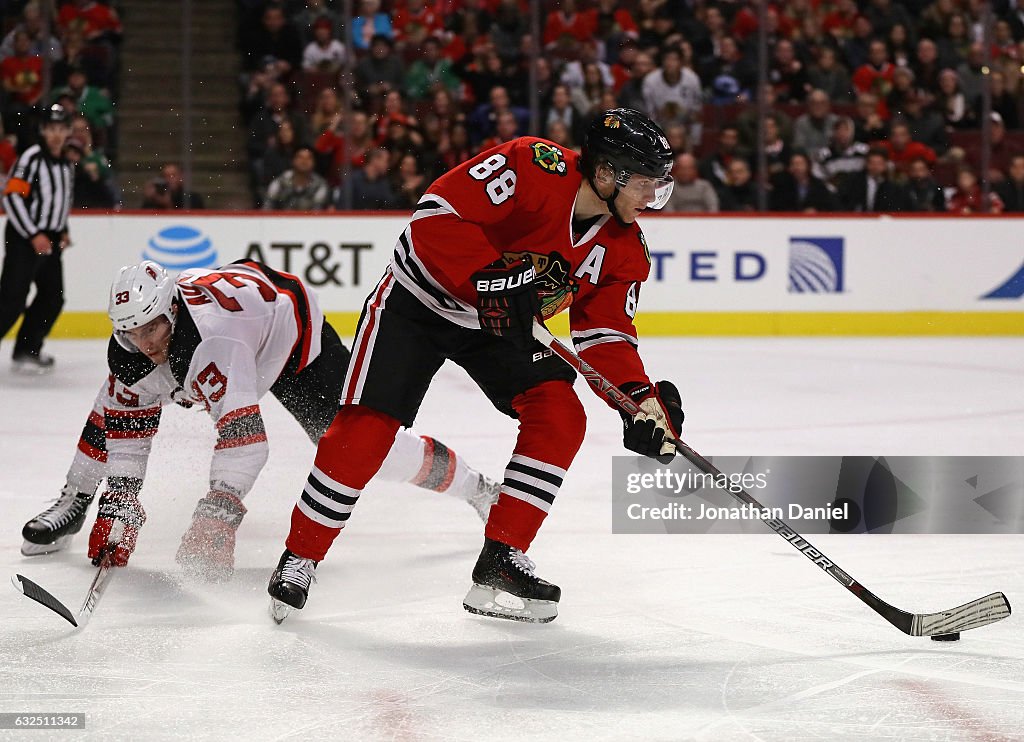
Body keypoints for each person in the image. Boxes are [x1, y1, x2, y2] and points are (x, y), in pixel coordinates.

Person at [267, 108, 683, 624]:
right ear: (605, 172)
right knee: (366, 431)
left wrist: (639, 401)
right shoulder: (532, 166)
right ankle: (301, 555)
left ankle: (502, 558)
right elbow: (436, 217)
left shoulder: (625, 247)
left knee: (560, 414)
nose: (650, 198)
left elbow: (606, 334)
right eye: (644, 183)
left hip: (503, 324)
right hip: (420, 301)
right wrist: (489, 279)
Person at [20, 260, 500, 579]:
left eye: (152, 328)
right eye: (131, 332)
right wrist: (121, 497)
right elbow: (127, 430)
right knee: (109, 405)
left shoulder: (216, 343)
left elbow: (245, 441)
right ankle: (75, 498)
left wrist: (220, 508)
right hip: (242, 316)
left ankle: (478, 488)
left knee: (367, 451)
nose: (144, 343)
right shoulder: (137, 348)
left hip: (291, 339)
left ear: (171, 311)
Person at [0, 104, 73, 373]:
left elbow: (60, 200)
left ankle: (27, 351)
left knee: (53, 297)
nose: (55, 134)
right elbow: (12, 196)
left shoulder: (66, 163)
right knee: (11, 299)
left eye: (60, 128)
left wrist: (62, 229)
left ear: (67, 131)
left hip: (50, 240)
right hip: (24, 238)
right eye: (51, 128)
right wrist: (33, 234)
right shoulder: (31, 157)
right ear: (43, 130)